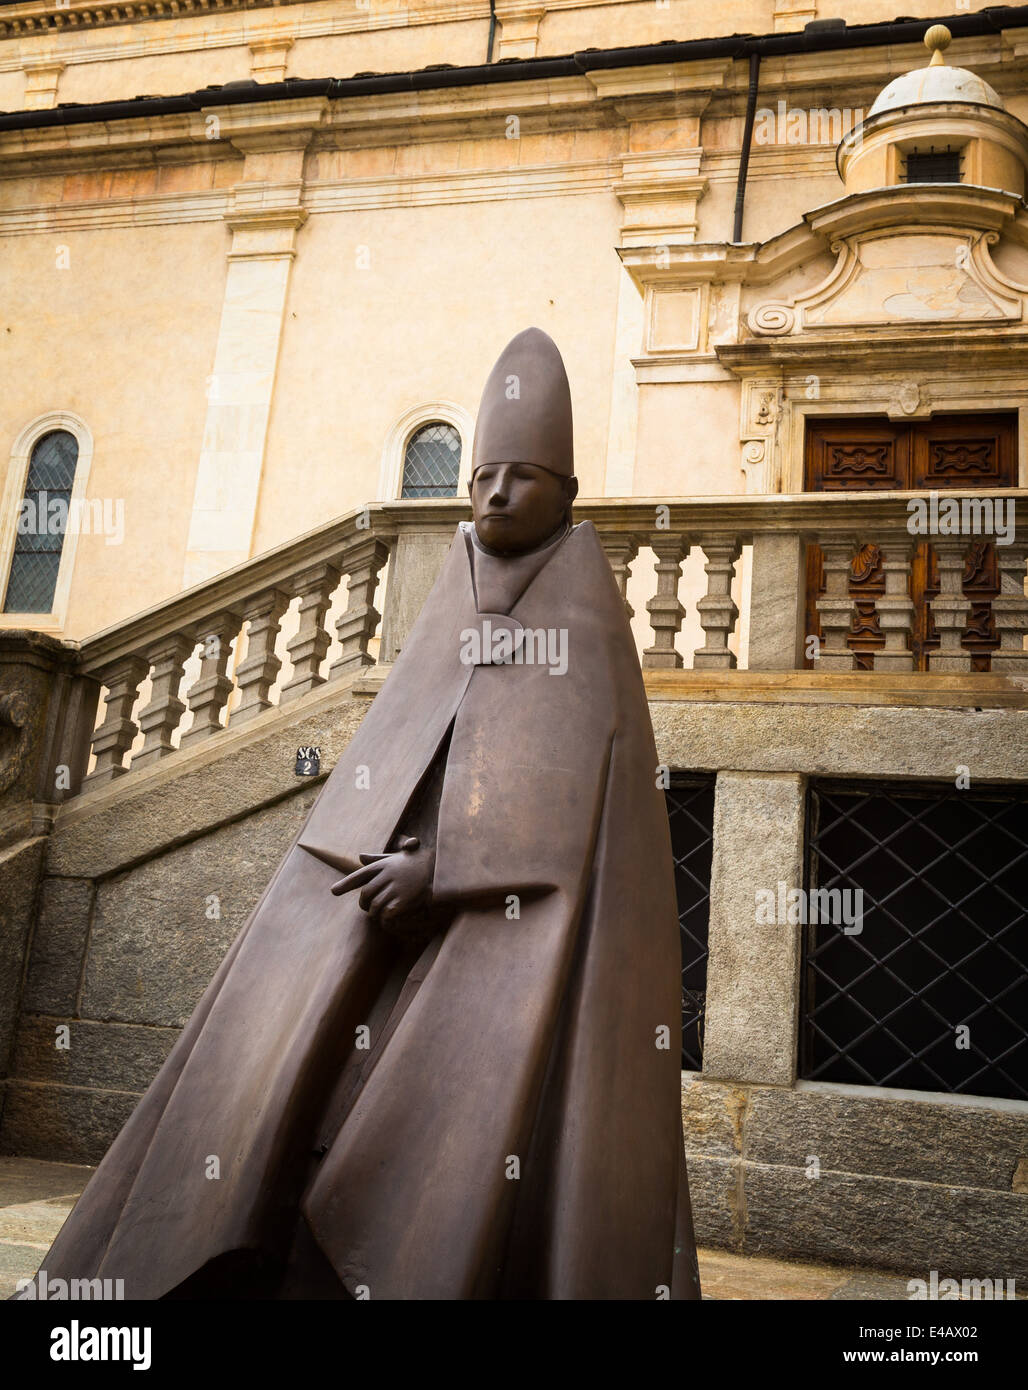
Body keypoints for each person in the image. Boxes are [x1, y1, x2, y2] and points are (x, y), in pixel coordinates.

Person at [24, 328, 700, 1300]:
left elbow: (562, 805)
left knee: (446, 1132)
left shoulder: (584, 617)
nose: (495, 495)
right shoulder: (458, 585)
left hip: (504, 939)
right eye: (481, 477)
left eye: (520, 477)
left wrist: (442, 870)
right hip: (385, 912)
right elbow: (405, 753)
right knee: (296, 1062)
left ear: (567, 492)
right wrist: (387, 857)